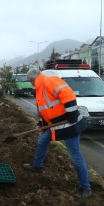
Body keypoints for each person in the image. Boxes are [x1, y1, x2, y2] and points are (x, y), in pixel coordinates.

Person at [22, 68, 92, 199]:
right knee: (42, 140)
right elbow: (47, 110)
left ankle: (86, 188)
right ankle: (37, 166)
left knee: (75, 156)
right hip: (57, 125)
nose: (31, 83)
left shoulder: (49, 80)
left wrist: (71, 114)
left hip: (69, 125)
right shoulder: (40, 88)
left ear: (32, 80)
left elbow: (68, 94)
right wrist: (41, 124)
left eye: (30, 81)